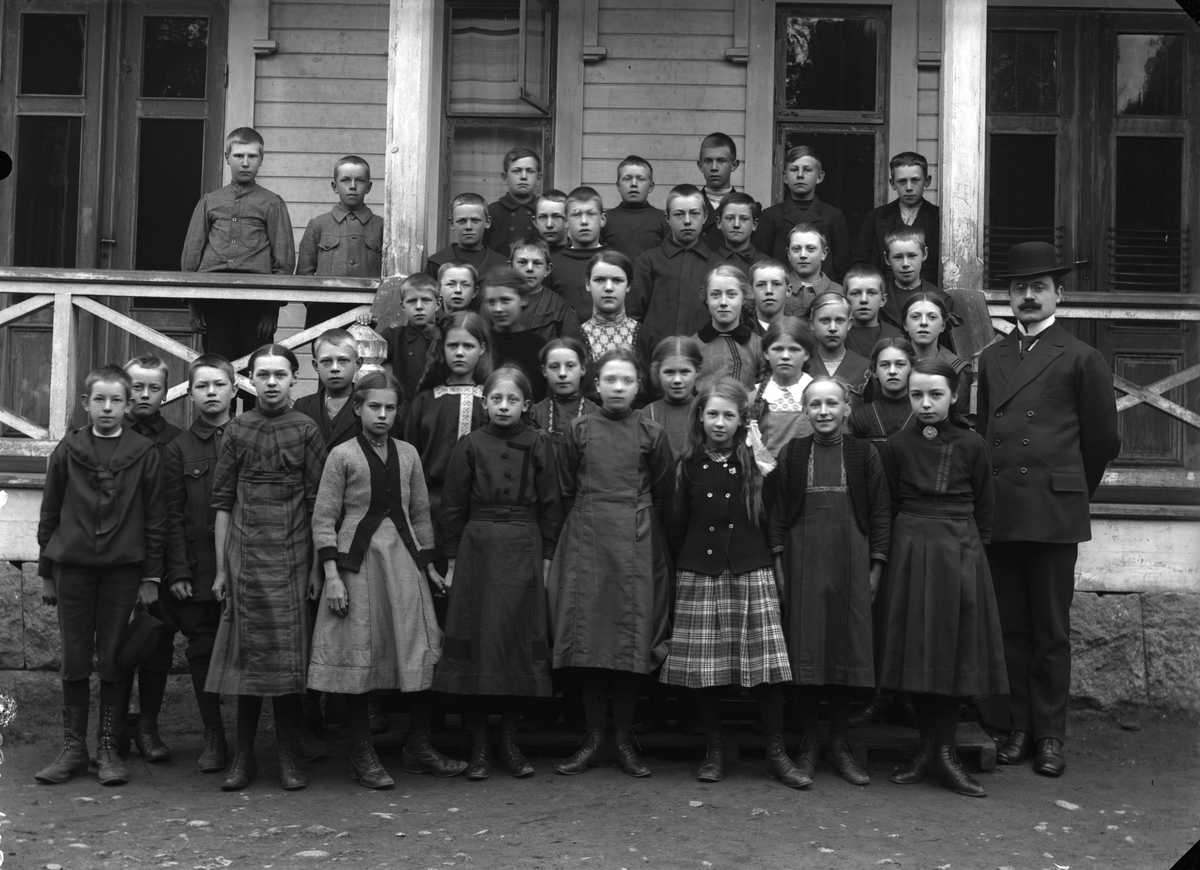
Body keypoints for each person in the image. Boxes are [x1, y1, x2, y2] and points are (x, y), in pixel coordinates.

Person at [978, 242, 1120, 778]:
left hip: (1054, 512)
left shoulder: (1081, 356)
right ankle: (1018, 728)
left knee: (1052, 631)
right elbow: (986, 432)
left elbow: (1102, 442)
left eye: (1039, 288)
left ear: (1059, 294)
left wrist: (1069, 491)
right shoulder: (992, 358)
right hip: (1004, 511)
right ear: (1009, 297)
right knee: (1012, 627)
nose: (1029, 297)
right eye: (1020, 288)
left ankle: (1050, 737)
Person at [309, 373, 467, 788]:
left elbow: (420, 514)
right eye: (374, 407)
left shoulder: (409, 453)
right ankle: (362, 753)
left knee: (419, 647)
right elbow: (324, 518)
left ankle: (419, 747)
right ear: (357, 408)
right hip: (357, 564)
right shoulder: (342, 455)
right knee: (360, 649)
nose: (382, 415)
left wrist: (428, 565)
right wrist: (332, 575)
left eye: (390, 408)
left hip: (403, 562)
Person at [661, 378, 807, 788]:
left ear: (742, 420)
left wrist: (763, 460)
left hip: (749, 568)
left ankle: (776, 753)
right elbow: (675, 525)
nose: (720, 423)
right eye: (712, 414)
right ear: (700, 418)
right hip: (700, 572)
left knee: (766, 666)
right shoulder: (686, 467)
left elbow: (775, 510)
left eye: (728, 415)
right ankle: (715, 748)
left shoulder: (756, 462)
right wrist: (688, 566)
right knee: (704, 667)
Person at [878, 359, 1008, 796]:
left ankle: (946, 753)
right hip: (911, 547)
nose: (926, 404)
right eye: (917, 395)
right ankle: (925, 749)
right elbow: (891, 501)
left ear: (954, 396)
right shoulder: (897, 445)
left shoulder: (972, 444)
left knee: (950, 649)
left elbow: (985, 507)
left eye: (936, 395)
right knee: (917, 646)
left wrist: (973, 559)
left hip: (958, 550)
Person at [34, 364, 166, 787]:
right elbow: (50, 513)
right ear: (86, 403)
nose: (107, 407)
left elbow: (156, 519)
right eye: (99, 400)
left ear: (128, 405)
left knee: (113, 657)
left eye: (116, 400)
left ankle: (108, 746)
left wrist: (150, 578)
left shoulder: (144, 453)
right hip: (72, 570)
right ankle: (74, 748)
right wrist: (46, 573)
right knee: (74, 658)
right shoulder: (68, 450)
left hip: (122, 573)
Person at [206, 344, 328, 792]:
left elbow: (318, 505)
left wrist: (316, 569)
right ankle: (244, 756)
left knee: (286, 659)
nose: (272, 382)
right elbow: (223, 503)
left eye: (280, 374)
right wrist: (222, 570)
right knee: (248, 657)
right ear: (251, 380)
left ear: (295, 378)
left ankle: (288, 755)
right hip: (246, 559)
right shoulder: (238, 429)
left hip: (293, 558)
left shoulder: (307, 429)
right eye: (263, 375)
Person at [435, 366, 565, 780]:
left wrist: (547, 557)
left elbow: (551, 504)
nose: (504, 406)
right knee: (477, 645)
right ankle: (478, 746)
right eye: (496, 399)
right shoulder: (470, 444)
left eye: (512, 400)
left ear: (526, 405)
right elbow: (452, 505)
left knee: (515, 645)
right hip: (477, 549)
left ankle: (509, 742)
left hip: (524, 547)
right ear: (484, 403)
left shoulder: (540, 444)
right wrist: (451, 559)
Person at [550, 347, 673, 778]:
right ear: (596, 385)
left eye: (627, 381)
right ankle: (593, 737)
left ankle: (622, 739)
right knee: (589, 636)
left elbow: (664, 492)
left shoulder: (652, 432)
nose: (618, 387)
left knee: (631, 638)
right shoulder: (579, 429)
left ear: (638, 387)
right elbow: (564, 487)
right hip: (587, 539)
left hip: (637, 541)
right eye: (610, 380)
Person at [769, 377, 890, 786]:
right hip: (802, 564)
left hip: (850, 564)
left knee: (844, 650)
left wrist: (875, 568)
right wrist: (780, 567)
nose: (824, 411)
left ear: (846, 409)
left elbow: (880, 514)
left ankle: (839, 745)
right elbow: (778, 513)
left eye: (832, 403)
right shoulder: (792, 452)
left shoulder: (863, 453)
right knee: (806, 651)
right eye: (815, 404)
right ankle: (808, 744)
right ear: (804, 410)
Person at [162, 354, 237, 773]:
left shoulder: (247, 435)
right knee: (202, 650)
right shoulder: (179, 449)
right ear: (190, 394)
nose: (211, 393)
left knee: (254, 648)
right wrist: (178, 570)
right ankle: (214, 734)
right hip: (200, 566)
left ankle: (261, 737)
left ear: (234, 389)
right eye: (202, 386)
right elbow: (171, 514)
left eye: (219, 384)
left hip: (247, 564)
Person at [181, 127, 294, 364]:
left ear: (261, 159)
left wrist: (271, 310)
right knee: (218, 364)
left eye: (252, 156)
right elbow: (191, 255)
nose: (245, 163)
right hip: (215, 298)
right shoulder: (210, 201)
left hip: (257, 299)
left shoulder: (272, 202)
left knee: (256, 366)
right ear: (227, 157)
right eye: (238, 156)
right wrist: (193, 305)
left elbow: (283, 260)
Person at [119, 354, 182, 764]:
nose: (144, 394)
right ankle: (114, 727)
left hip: (159, 559)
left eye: (153, 388)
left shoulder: (176, 440)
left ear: (166, 392)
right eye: (136, 387)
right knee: (117, 643)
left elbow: (177, 507)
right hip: (115, 558)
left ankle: (148, 726)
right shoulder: (105, 433)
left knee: (157, 641)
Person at [403, 312, 492, 575]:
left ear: (482, 348)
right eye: (453, 345)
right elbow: (409, 455)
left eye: (468, 346)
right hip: (432, 507)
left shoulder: (492, 401)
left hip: (480, 509)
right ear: (442, 348)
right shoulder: (425, 400)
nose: (460, 353)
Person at [296, 155, 384, 329]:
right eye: (345, 180)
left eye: (360, 180)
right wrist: (317, 306)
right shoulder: (318, 224)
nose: (352, 186)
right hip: (325, 317)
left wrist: (377, 309)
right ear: (335, 186)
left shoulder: (381, 226)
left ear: (369, 187)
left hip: (368, 316)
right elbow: (303, 275)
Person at [629, 184, 721, 339]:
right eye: (679, 214)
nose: (687, 221)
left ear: (705, 216)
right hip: (656, 351)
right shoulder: (647, 262)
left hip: (703, 351)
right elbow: (633, 316)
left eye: (694, 213)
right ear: (667, 218)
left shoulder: (718, 266)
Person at [752, 145, 851, 282]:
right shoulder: (771, 215)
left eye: (807, 170)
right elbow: (761, 262)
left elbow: (842, 265)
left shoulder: (833, 216)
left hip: (823, 291)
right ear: (785, 177)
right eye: (794, 169)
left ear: (819, 177)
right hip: (783, 289)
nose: (800, 175)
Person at [852, 152, 940, 286]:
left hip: (928, 291)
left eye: (915, 180)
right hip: (885, 290)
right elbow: (860, 262)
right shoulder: (877, 217)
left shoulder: (939, 217)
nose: (909, 188)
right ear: (893, 183)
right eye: (902, 181)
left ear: (927, 181)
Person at [747, 316, 817, 465]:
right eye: (778, 349)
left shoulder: (817, 395)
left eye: (794, 349)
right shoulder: (754, 398)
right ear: (766, 353)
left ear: (806, 354)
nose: (785, 356)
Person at [483, 265, 549, 402]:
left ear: (523, 298)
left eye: (505, 300)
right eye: (491, 302)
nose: (498, 309)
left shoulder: (540, 348)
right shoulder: (480, 344)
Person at [900, 294, 971, 422]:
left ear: (943, 325)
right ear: (905, 324)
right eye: (915, 317)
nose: (923, 323)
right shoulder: (892, 366)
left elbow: (961, 420)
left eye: (932, 317)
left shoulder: (957, 369)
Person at [691, 264, 761, 392]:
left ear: (744, 298)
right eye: (715, 295)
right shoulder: (692, 346)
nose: (723, 302)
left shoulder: (758, 346)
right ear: (706, 299)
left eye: (731, 294)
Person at [878, 227, 955, 344]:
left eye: (912, 256)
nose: (905, 264)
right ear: (887, 259)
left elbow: (943, 345)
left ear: (924, 254)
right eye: (898, 257)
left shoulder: (942, 300)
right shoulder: (877, 297)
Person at [380, 274, 441, 421]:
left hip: (436, 415)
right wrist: (367, 327)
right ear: (403, 306)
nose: (419, 307)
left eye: (426, 300)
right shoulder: (393, 336)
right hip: (401, 417)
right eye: (412, 301)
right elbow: (368, 357)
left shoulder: (446, 338)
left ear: (438, 304)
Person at [547, 186, 610, 323]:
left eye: (591, 214)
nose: (584, 221)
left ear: (602, 219)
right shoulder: (552, 266)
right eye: (576, 214)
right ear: (565, 221)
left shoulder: (617, 262)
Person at [294, 328, 363, 452]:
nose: (335, 368)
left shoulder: (369, 404)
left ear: (357, 364)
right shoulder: (302, 406)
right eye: (326, 361)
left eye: (343, 360)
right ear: (316, 366)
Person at [509, 234, 581, 343]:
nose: (530, 269)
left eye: (537, 263)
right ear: (510, 267)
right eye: (522, 262)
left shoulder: (561, 308)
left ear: (547, 269)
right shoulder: (496, 302)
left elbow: (572, 348)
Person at [847, 338, 916, 445]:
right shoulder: (860, 416)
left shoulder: (924, 413)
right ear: (874, 371)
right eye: (885, 365)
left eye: (900, 364)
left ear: (912, 369)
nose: (892, 371)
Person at [531, 338, 599, 445]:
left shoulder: (596, 415)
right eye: (554, 367)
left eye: (570, 366)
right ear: (544, 371)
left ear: (582, 369)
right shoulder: (533, 414)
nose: (562, 373)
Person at [425, 193, 507, 281]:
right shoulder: (436, 263)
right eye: (462, 221)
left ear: (487, 222)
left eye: (475, 220)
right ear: (452, 224)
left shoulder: (501, 264)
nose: (468, 227)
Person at [579, 250, 642, 365]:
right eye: (599, 280)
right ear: (588, 284)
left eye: (617, 280)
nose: (608, 288)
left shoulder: (646, 337)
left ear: (628, 285)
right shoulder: (575, 339)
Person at [603, 155, 670, 261]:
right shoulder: (605, 219)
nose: (634, 184)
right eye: (627, 179)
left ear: (651, 186)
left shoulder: (664, 220)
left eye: (640, 179)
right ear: (618, 185)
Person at [644, 336, 703, 455]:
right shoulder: (646, 415)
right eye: (669, 372)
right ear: (657, 373)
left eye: (685, 372)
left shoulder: (707, 412)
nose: (677, 380)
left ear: (697, 371)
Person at [809, 292, 869, 407]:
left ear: (849, 324)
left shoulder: (865, 368)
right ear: (812, 324)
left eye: (840, 320)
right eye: (824, 320)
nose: (832, 328)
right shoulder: (802, 365)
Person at [695, 132, 747, 251]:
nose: (714, 168)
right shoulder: (690, 204)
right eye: (708, 161)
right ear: (700, 165)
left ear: (734, 165)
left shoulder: (747, 207)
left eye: (721, 161)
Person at [486, 148, 541, 255]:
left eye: (530, 171)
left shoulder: (545, 213)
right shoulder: (492, 212)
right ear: (505, 178)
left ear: (538, 178)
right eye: (517, 171)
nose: (523, 177)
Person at [843, 264, 902, 359]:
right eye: (855, 293)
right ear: (845, 300)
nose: (864, 300)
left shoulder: (897, 336)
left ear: (883, 300)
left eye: (871, 293)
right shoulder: (837, 335)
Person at [784, 223, 842, 317]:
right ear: (788, 254)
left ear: (824, 253)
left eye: (811, 249)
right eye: (796, 249)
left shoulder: (839, 293)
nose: (803, 255)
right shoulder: (778, 290)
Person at [714, 192, 767, 275]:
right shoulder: (707, 262)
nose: (736, 225)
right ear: (719, 222)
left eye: (744, 219)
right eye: (730, 218)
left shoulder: (766, 265)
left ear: (754, 224)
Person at [746, 259, 790, 335]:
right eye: (761, 285)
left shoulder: (802, 332)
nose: (769, 291)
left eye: (776, 284)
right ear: (751, 291)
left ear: (788, 291)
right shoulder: (740, 330)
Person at [534, 190, 570, 254]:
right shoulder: (525, 256)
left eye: (557, 217)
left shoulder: (583, 255)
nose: (549, 225)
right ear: (535, 222)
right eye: (543, 217)